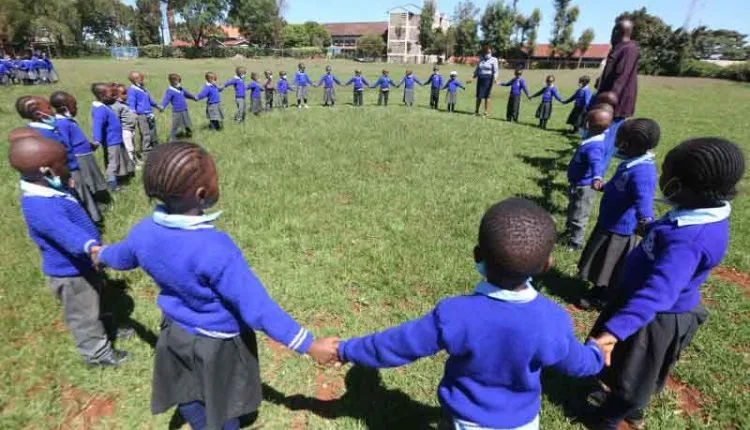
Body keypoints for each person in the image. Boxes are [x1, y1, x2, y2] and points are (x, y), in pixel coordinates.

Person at [94, 142, 339, 429]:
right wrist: (309, 344)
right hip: (218, 342)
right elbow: (257, 308)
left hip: (174, 331)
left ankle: (198, 419)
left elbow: (122, 256)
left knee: (187, 388)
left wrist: (101, 254)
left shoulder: (143, 231)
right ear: (202, 194)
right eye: (215, 178)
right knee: (222, 401)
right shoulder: (215, 248)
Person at [336, 198, 605, 430]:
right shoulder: (553, 320)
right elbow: (578, 364)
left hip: (465, 421)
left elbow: (397, 345)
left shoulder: (455, 314)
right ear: (547, 265)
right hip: (522, 423)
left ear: (478, 256)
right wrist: (596, 353)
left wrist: (345, 350)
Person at [590, 138, 745, 430]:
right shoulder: (697, 211)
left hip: (653, 317)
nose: (660, 178)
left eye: (664, 173)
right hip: (638, 304)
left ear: (677, 184)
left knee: (633, 374)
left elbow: (658, 293)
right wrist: (652, 229)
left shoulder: (691, 239)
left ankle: (610, 418)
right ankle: (622, 402)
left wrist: (614, 332)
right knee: (626, 366)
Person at [8, 131, 128, 366]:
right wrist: (94, 249)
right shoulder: (40, 206)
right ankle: (97, 355)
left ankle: (107, 327)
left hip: (82, 264)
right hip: (69, 273)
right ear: (47, 170)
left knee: (97, 299)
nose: (68, 167)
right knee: (83, 315)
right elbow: (66, 234)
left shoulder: (48, 189)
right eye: (63, 164)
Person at [578, 119, 660, 310]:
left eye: (619, 139)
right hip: (608, 221)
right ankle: (598, 288)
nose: (615, 143)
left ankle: (603, 296)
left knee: (611, 264)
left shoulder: (643, 172)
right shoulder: (630, 163)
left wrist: (646, 221)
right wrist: (604, 186)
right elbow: (618, 185)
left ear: (627, 145)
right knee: (600, 258)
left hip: (621, 228)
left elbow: (644, 200)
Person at [50, 91, 108, 224]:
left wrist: (89, 144)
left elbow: (76, 138)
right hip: (79, 158)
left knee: (92, 180)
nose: (76, 108)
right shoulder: (62, 123)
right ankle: (93, 211)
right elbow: (66, 144)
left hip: (86, 154)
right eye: (74, 105)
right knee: (87, 182)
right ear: (65, 108)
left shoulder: (68, 120)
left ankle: (97, 203)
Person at [561, 109, 612, 250]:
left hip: (584, 188)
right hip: (576, 184)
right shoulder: (592, 140)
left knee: (579, 214)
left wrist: (597, 177)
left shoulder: (594, 146)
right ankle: (569, 232)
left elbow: (597, 163)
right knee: (572, 210)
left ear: (588, 125)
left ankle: (575, 243)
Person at [91, 83, 135, 191]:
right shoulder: (100, 109)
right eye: (111, 94)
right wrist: (97, 140)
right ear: (103, 96)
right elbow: (97, 125)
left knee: (120, 159)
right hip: (111, 141)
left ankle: (122, 177)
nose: (114, 95)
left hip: (116, 139)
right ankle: (112, 185)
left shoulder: (105, 106)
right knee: (113, 163)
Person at [597, 18, 639, 120]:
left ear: (618, 32)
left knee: (609, 132)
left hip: (615, 103)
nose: (612, 34)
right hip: (606, 97)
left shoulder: (629, 49)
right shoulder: (618, 47)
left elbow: (622, 76)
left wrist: (610, 100)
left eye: (614, 30)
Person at [127, 71, 163, 157]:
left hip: (149, 114)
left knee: (153, 133)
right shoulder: (132, 90)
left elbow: (150, 100)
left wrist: (157, 106)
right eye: (141, 78)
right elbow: (131, 103)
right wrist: (133, 114)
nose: (143, 79)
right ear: (135, 80)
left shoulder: (143, 89)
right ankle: (146, 152)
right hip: (141, 115)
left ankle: (155, 149)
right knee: (145, 134)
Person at [161, 73, 197, 141]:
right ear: (173, 82)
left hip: (184, 109)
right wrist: (162, 106)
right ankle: (173, 138)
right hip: (177, 111)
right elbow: (166, 99)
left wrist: (194, 97)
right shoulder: (170, 91)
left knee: (187, 123)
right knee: (175, 125)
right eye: (178, 81)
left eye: (180, 81)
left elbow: (187, 94)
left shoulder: (181, 89)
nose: (179, 83)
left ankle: (189, 134)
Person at [111, 84, 139, 166]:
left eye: (126, 93)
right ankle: (131, 165)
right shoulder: (116, 106)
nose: (126, 95)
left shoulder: (124, 104)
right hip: (125, 130)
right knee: (129, 148)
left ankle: (135, 160)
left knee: (133, 146)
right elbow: (116, 119)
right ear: (116, 95)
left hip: (131, 129)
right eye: (124, 93)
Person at [472, 44, 500, 117]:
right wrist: (473, 77)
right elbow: (477, 69)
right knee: (479, 96)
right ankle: (476, 111)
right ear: (484, 53)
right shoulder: (481, 59)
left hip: (488, 79)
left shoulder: (494, 60)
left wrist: (496, 79)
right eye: (487, 53)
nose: (488, 54)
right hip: (480, 78)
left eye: (489, 52)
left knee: (487, 96)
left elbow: (496, 71)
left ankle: (486, 112)